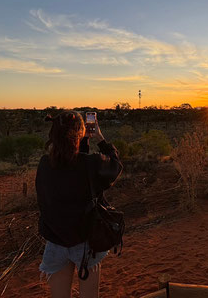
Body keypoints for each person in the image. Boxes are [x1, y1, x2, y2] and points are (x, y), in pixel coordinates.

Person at [36, 111, 122, 298]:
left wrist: (82, 143)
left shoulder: (44, 164)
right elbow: (115, 166)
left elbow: (71, 168)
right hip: (86, 242)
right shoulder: (91, 164)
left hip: (56, 241)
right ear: (81, 133)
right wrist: (99, 138)